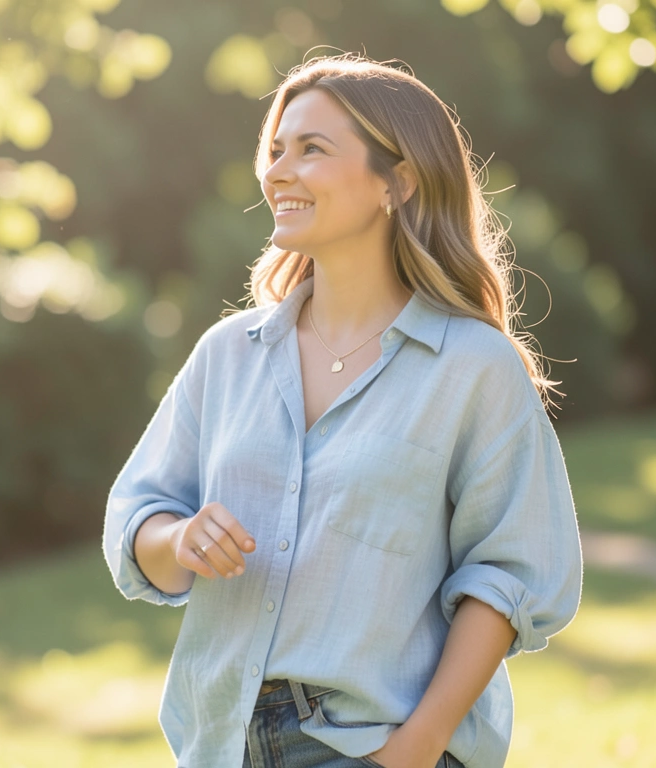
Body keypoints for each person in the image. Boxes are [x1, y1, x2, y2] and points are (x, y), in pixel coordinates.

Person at [102, 53, 583, 768]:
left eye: (311, 150)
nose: (276, 172)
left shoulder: (472, 369)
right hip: (217, 745)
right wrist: (179, 541)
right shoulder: (229, 353)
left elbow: (508, 577)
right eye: (275, 151)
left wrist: (415, 751)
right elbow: (137, 515)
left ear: (399, 182)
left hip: (371, 744)